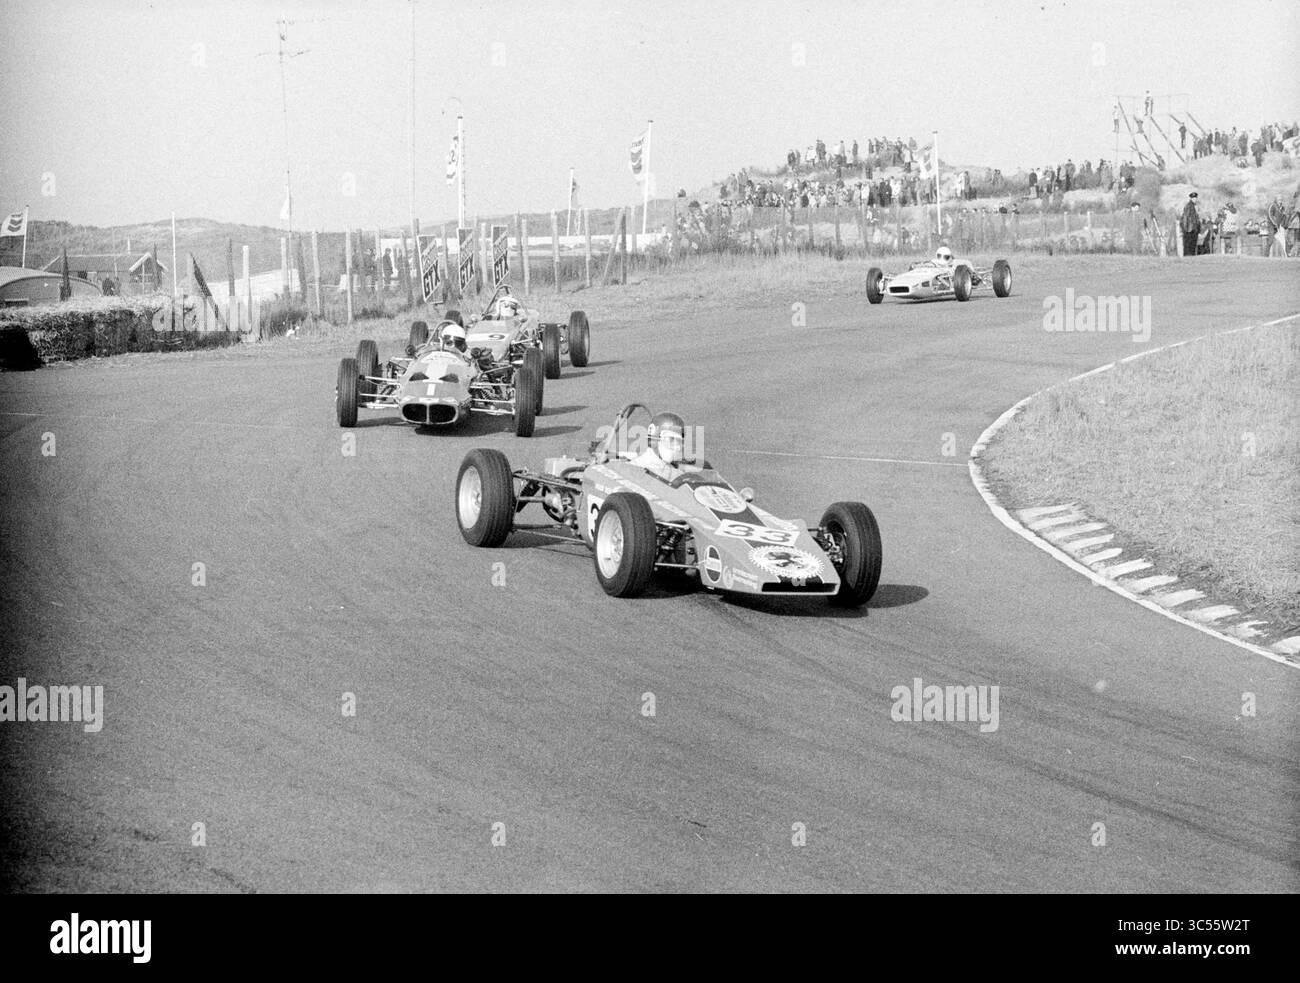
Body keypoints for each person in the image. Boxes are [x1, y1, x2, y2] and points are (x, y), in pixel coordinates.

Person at [630, 412, 698, 482]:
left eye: (679, 442)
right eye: (671, 439)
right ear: (654, 437)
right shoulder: (630, 469)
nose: (677, 447)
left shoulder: (677, 474)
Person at [1180, 192, 1201, 257]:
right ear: (1191, 198)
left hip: (1193, 228)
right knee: (1188, 246)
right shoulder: (1188, 206)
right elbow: (1185, 218)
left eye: (1195, 198)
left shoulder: (1194, 206)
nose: (1195, 199)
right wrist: (1185, 229)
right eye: (1193, 198)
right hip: (1189, 229)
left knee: (1192, 246)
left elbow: (1196, 218)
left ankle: (1191, 257)